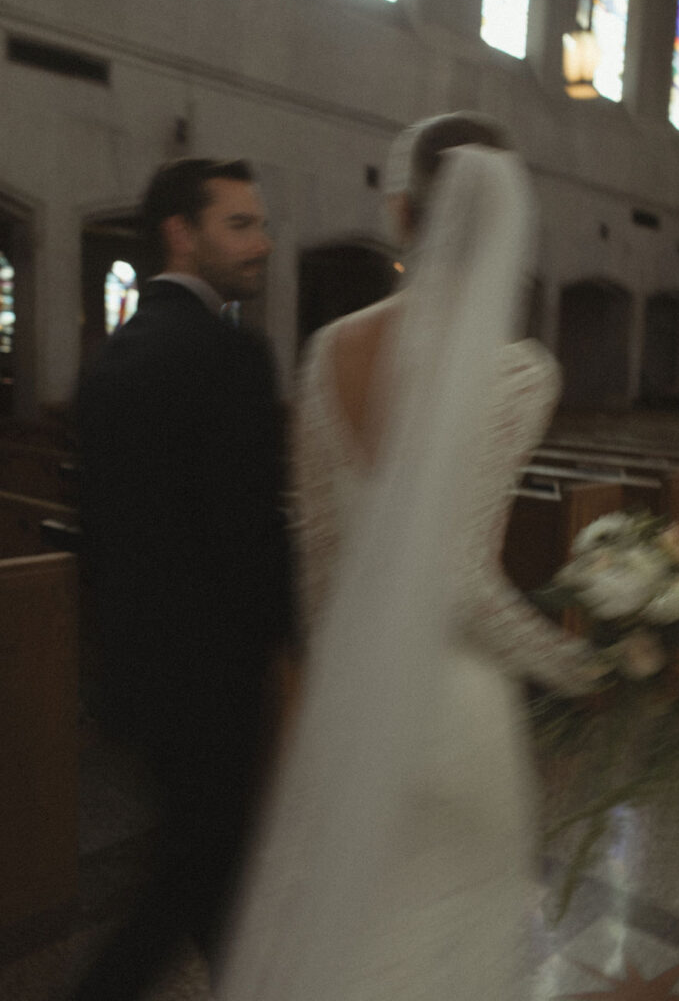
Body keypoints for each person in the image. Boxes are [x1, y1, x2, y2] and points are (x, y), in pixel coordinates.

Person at [213, 113, 598, 1001]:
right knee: (447, 962)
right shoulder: (519, 371)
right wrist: (579, 665)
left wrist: (320, 703)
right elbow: (461, 581)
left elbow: (317, 558)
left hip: (352, 703)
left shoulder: (326, 353)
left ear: (398, 213)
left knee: (348, 956)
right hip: (454, 715)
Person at [75, 158, 293, 999]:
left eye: (260, 224)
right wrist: (287, 648)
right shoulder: (232, 354)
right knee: (189, 882)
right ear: (181, 233)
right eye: (240, 224)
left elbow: (109, 535)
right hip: (216, 681)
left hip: (143, 675)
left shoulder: (112, 357)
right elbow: (249, 533)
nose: (263, 243)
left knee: (208, 876)